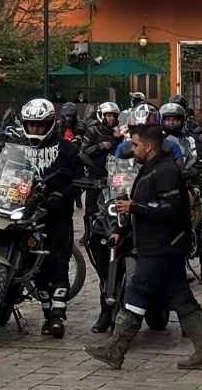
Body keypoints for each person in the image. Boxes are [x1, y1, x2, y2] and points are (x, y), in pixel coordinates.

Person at [85, 123, 202, 371]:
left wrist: (134, 208)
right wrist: (121, 232)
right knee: (182, 298)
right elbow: (143, 206)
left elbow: (170, 210)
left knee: (137, 290)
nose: (131, 149)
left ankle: (116, 349)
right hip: (156, 245)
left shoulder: (166, 171)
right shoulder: (149, 169)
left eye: (135, 144)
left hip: (164, 247)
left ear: (148, 146)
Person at [16, 98, 78, 338]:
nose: (35, 130)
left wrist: (61, 195)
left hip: (57, 215)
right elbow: (2, 171)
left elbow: (79, 180)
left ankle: (57, 315)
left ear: (51, 124)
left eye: (40, 125)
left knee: (58, 262)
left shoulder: (67, 149)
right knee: (35, 265)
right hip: (24, 214)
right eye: (30, 125)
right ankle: (45, 311)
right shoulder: (17, 146)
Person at [160, 102, 202, 284]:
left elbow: (199, 158)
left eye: (175, 120)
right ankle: (175, 270)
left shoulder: (191, 139)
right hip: (167, 187)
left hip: (190, 185)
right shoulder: (157, 141)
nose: (171, 123)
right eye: (168, 120)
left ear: (182, 121)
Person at [78, 101, 124, 332]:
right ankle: (90, 235)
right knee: (94, 217)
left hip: (121, 188)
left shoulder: (122, 135)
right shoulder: (94, 131)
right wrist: (100, 149)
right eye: (108, 116)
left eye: (114, 116)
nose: (112, 119)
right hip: (99, 181)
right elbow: (83, 154)